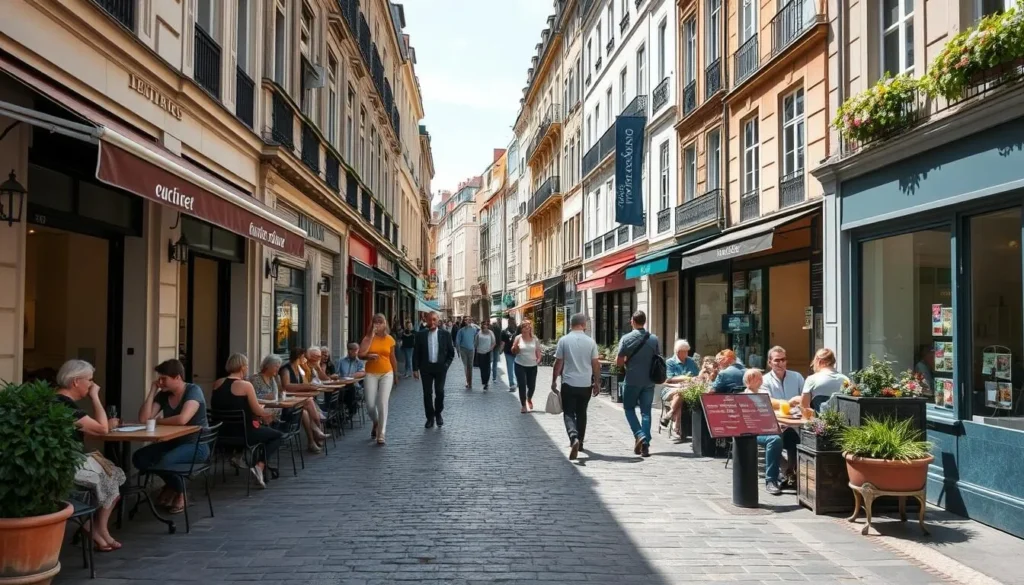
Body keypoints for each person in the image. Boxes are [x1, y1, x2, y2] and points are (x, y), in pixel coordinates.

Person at [54, 359, 126, 552]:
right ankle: (95, 528)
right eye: (90, 380)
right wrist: (95, 397)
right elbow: (102, 429)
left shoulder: (56, 400)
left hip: (66, 459)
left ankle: (98, 528)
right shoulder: (63, 404)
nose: (92, 385)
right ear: (76, 381)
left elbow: (90, 430)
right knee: (111, 476)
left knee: (112, 473)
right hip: (65, 464)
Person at [134, 359, 209, 515]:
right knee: (140, 457)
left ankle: (182, 494)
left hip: (197, 445)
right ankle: (172, 487)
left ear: (177, 377)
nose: (160, 382)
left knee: (165, 461)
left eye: (164, 379)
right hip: (173, 443)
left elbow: (183, 419)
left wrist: (157, 421)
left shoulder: (193, 391)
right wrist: (152, 391)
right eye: (159, 379)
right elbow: (143, 419)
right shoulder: (163, 395)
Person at [211, 354, 284, 489]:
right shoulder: (245, 385)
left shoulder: (217, 383)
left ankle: (241, 457)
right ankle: (259, 465)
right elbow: (258, 411)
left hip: (221, 433)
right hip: (244, 433)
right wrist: (264, 411)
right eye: (246, 366)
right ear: (242, 367)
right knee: (278, 435)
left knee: (264, 429)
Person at [249, 354, 326, 453]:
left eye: (278, 366)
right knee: (305, 405)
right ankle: (316, 432)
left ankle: (312, 440)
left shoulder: (274, 378)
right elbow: (254, 397)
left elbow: (281, 394)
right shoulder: (255, 379)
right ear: (267, 366)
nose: (278, 369)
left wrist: (280, 389)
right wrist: (269, 396)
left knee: (304, 409)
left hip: (278, 408)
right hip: (267, 411)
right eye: (276, 366)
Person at [551, 313, 601, 460]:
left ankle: (573, 438)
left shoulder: (564, 340)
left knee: (568, 412)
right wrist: (596, 382)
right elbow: (595, 364)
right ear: (583, 324)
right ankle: (581, 442)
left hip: (569, 382)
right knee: (582, 413)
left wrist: (554, 380)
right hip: (585, 383)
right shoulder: (590, 342)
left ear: (571, 324)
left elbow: (558, 362)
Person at [616, 310, 660, 458]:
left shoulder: (626, 338)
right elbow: (657, 358)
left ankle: (639, 434)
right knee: (646, 412)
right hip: (649, 380)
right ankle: (645, 443)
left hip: (632, 379)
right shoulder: (654, 339)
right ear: (644, 321)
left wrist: (626, 364)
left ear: (632, 322)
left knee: (628, 408)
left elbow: (619, 361)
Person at [746, 368, 797, 495]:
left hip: (770, 427)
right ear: (749, 381)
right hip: (755, 431)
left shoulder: (763, 394)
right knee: (775, 440)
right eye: (758, 378)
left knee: (793, 436)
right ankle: (771, 480)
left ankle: (791, 473)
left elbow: (777, 404)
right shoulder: (745, 397)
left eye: (761, 378)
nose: (761, 380)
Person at [360, 313, 398, 445]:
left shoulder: (390, 339)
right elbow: (360, 355)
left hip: (387, 373)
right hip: (371, 373)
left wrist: (396, 374)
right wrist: (369, 356)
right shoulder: (367, 338)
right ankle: (376, 422)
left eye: (380, 321)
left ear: (385, 323)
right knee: (370, 405)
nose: (378, 324)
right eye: (375, 322)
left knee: (382, 403)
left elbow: (392, 357)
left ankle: (381, 433)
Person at [414, 311, 456, 428]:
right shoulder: (420, 335)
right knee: (427, 394)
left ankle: (438, 414)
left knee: (440, 392)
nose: (432, 322)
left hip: (440, 369)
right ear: (426, 320)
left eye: (434, 320)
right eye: (429, 319)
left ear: (438, 321)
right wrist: (415, 369)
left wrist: (446, 366)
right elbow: (416, 353)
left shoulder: (445, 335)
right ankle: (429, 417)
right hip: (426, 369)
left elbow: (451, 353)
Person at [660, 339, 700, 428]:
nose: (687, 354)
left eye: (687, 351)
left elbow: (696, 375)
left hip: (685, 389)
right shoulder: (670, 362)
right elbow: (669, 379)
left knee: (680, 394)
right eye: (684, 351)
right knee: (681, 392)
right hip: (670, 388)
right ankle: (677, 425)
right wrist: (687, 378)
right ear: (678, 352)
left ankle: (670, 414)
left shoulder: (690, 361)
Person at [801, 348, 849, 412]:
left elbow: (804, 407)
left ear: (819, 361)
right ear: (833, 361)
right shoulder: (846, 379)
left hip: (819, 421)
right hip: (842, 420)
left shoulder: (812, 379)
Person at [512, 319, 542, 413]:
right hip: (520, 364)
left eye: (529, 326)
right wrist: (515, 347)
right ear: (521, 328)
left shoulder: (534, 338)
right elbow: (513, 351)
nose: (528, 327)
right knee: (522, 385)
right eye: (525, 326)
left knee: (532, 385)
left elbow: (538, 350)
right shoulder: (518, 338)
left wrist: (539, 359)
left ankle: (529, 398)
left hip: (532, 365)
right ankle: (523, 405)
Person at [335, 343, 367, 419]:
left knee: (351, 389)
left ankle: (349, 410)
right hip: (341, 385)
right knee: (337, 392)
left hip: (355, 387)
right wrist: (337, 376)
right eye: (355, 350)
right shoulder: (341, 361)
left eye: (357, 350)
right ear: (349, 351)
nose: (356, 353)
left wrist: (351, 376)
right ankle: (338, 410)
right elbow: (336, 373)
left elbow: (363, 372)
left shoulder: (359, 362)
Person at [455, 316, 479, 389]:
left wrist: (476, 346)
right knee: (466, 365)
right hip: (463, 350)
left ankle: (470, 382)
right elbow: (457, 341)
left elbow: (477, 337)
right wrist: (458, 351)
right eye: (466, 320)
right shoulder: (461, 330)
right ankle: (467, 381)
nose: (468, 321)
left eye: (469, 320)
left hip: (471, 350)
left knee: (470, 366)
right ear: (464, 321)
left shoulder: (474, 329)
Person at [475, 322, 497, 390]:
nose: (485, 328)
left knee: (487, 367)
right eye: (483, 326)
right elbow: (476, 342)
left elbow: (494, 342)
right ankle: (483, 381)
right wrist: (476, 348)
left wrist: (490, 349)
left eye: (486, 326)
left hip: (488, 352)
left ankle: (486, 382)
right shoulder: (479, 333)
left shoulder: (490, 333)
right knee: (482, 367)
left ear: (487, 327)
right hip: (480, 352)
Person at [500, 317, 519, 390]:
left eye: (512, 321)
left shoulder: (518, 330)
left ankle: (516, 382)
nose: (511, 323)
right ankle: (512, 384)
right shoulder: (504, 331)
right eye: (510, 322)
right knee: (510, 368)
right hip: (508, 352)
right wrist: (501, 350)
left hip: (518, 352)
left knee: (517, 368)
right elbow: (503, 342)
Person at [490, 320, 502, 385]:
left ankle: (489, 375)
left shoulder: (490, 329)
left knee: (489, 361)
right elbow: (500, 338)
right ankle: (494, 377)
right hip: (496, 346)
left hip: (490, 347)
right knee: (495, 363)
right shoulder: (498, 329)